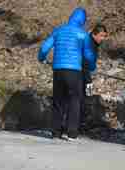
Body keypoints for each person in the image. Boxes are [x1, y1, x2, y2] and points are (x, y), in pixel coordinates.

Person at [38, 7, 97, 141]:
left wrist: (41, 58)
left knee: (58, 100)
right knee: (74, 100)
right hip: (74, 71)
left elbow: (44, 48)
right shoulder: (83, 34)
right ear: (82, 20)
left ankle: (55, 132)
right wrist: (92, 67)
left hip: (58, 70)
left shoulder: (58, 30)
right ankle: (72, 133)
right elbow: (88, 55)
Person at [81, 23, 108, 130]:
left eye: (104, 36)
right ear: (94, 34)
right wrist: (91, 68)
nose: (103, 38)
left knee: (88, 94)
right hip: (82, 72)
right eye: (101, 36)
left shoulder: (94, 43)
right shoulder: (89, 43)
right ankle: (83, 121)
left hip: (85, 72)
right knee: (87, 95)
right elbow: (87, 59)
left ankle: (84, 120)